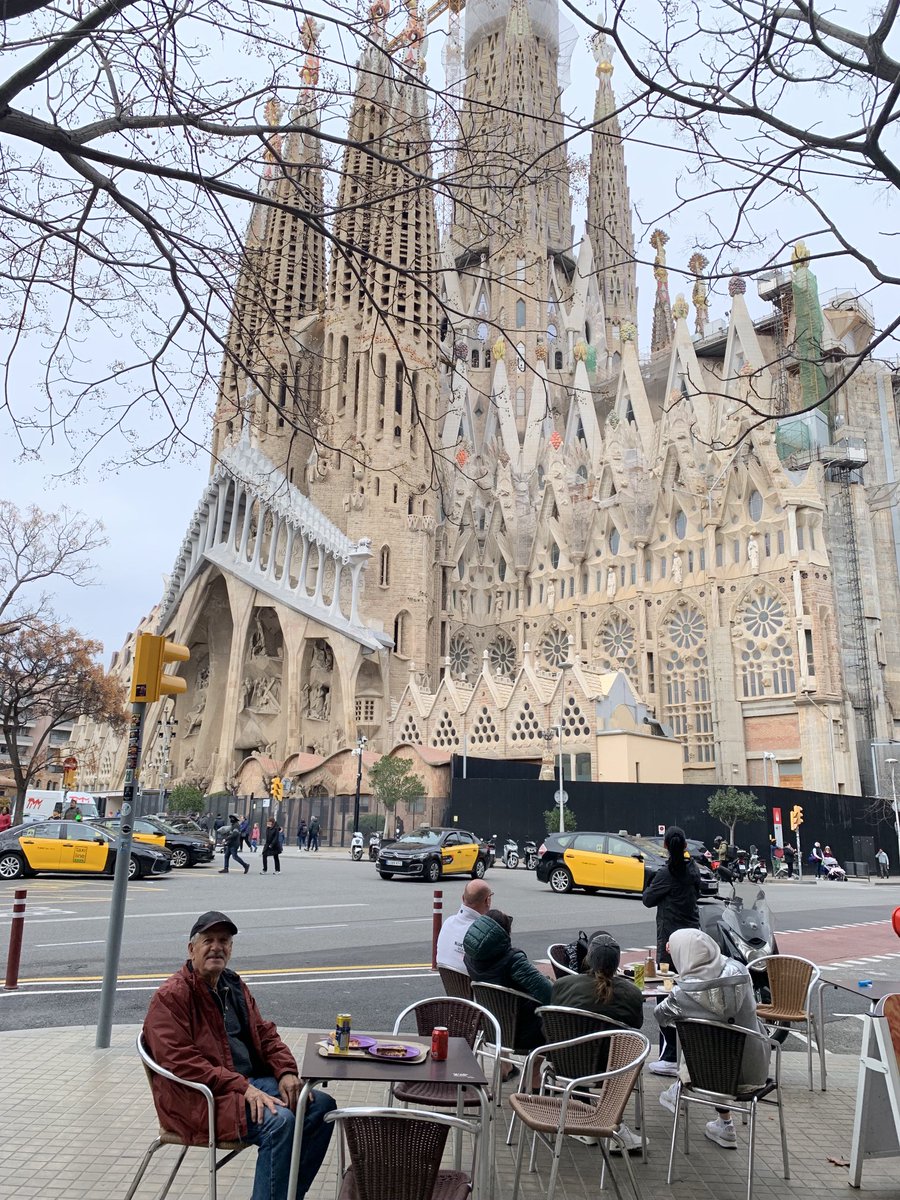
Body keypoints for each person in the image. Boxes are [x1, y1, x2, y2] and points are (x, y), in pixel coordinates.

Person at [144, 911, 335, 1198]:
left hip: (244, 1084)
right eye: (208, 940)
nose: (217, 947)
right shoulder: (171, 996)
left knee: (320, 1107)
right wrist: (242, 1086)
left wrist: (286, 1071)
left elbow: (265, 1033)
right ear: (191, 949)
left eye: (224, 941)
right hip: (200, 1098)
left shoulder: (231, 985)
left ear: (231, 949)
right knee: (280, 1123)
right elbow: (181, 1062)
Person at [655, 928, 769, 1150]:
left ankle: (679, 1090)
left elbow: (660, 1016)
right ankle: (724, 1125)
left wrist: (682, 968)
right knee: (718, 1041)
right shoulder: (739, 972)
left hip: (710, 1076)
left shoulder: (681, 995)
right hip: (755, 1068)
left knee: (699, 1042)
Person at [550, 932, 645, 1153]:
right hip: (611, 1071)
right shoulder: (630, 993)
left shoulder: (563, 985)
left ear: (588, 959)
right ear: (617, 963)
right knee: (628, 1046)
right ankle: (609, 1123)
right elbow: (637, 1024)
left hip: (566, 1064)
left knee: (576, 1043)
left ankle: (584, 1118)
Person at [642, 825, 701, 1075]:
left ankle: (669, 1056)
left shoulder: (666, 874)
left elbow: (647, 899)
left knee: (664, 995)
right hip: (693, 940)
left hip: (669, 944)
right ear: (685, 845)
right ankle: (688, 1050)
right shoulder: (693, 869)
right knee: (687, 994)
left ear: (665, 846)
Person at [463, 909, 551, 1051]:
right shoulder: (512, 960)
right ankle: (535, 1072)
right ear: (503, 933)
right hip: (522, 1032)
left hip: (492, 1026)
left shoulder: (469, 957)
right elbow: (549, 993)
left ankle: (513, 1070)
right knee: (558, 1022)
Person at [436, 880, 494, 974]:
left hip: (450, 985)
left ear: (463, 898)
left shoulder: (448, 922)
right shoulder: (485, 933)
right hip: (475, 987)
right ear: (487, 900)